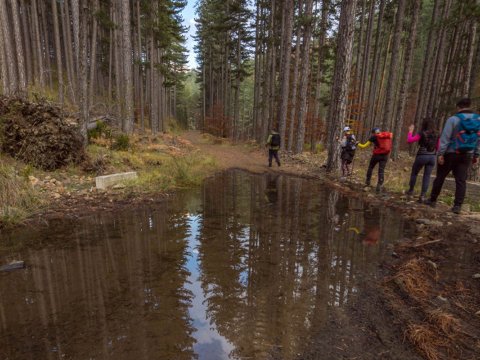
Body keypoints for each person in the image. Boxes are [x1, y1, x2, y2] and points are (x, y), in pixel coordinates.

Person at [426, 98, 480, 214]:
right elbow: (478, 139)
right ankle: (457, 206)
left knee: (440, 176)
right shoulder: (478, 120)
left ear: (458, 107)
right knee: (461, 180)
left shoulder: (453, 119)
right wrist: (476, 154)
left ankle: (432, 200)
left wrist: (441, 153)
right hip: (467, 154)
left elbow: (445, 137)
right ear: (469, 106)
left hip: (451, 153)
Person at [406, 119, 439, 202]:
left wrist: (410, 131)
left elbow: (410, 140)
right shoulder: (437, 134)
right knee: (427, 176)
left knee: (414, 173)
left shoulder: (422, 133)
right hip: (432, 157)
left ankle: (410, 191)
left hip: (422, 156)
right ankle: (422, 196)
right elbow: (438, 147)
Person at [357, 127, 393, 192]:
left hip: (377, 155)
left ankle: (368, 181)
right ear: (379, 131)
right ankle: (379, 185)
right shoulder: (386, 136)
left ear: (373, 133)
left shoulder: (374, 137)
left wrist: (357, 144)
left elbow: (363, 146)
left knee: (371, 167)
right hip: (385, 156)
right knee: (381, 170)